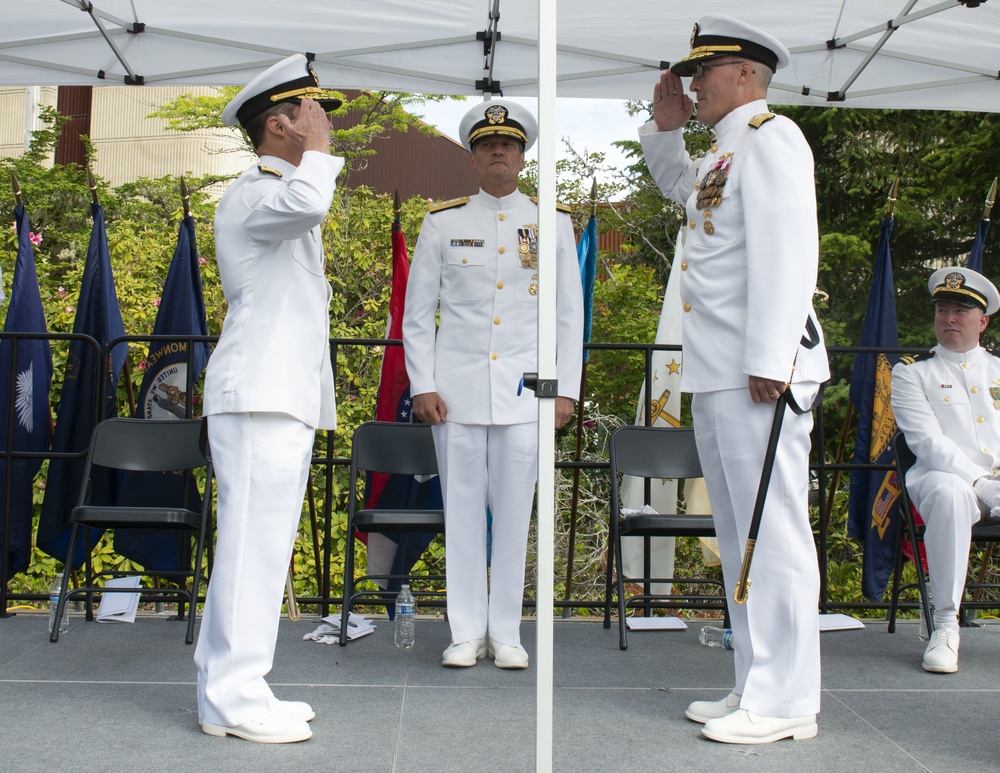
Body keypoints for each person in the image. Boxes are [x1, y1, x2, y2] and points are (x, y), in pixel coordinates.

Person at [639, 14, 829, 744]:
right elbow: (685, 192)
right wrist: (665, 131)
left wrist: (770, 359)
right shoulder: (724, 153)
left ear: (746, 73)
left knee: (771, 534)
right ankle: (755, 679)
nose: (694, 83)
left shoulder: (772, 138)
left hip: (758, 372)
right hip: (719, 370)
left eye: (704, 72)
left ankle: (786, 700)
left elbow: (790, 250)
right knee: (739, 534)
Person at [194, 54, 344, 744]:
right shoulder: (258, 192)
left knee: (265, 547)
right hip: (256, 395)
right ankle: (228, 696)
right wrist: (320, 155)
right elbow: (311, 199)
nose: (322, 125)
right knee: (251, 547)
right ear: (278, 124)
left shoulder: (284, 192)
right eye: (309, 114)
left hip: (278, 395)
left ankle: (243, 684)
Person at [403, 100, 583, 670]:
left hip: (525, 395)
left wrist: (566, 392)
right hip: (453, 395)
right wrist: (422, 384)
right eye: (486, 146)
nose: (497, 152)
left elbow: (568, 318)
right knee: (459, 513)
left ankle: (506, 630)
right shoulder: (443, 220)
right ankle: (464, 630)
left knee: (514, 515)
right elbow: (416, 315)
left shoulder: (553, 222)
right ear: (473, 159)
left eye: (507, 145)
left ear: (524, 157)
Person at [890, 267, 1000, 674]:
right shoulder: (912, 372)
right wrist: (981, 483)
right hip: (945, 479)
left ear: (982, 321)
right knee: (951, 493)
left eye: (960, 311)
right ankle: (946, 624)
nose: (949, 318)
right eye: (942, 310)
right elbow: (927, 444)